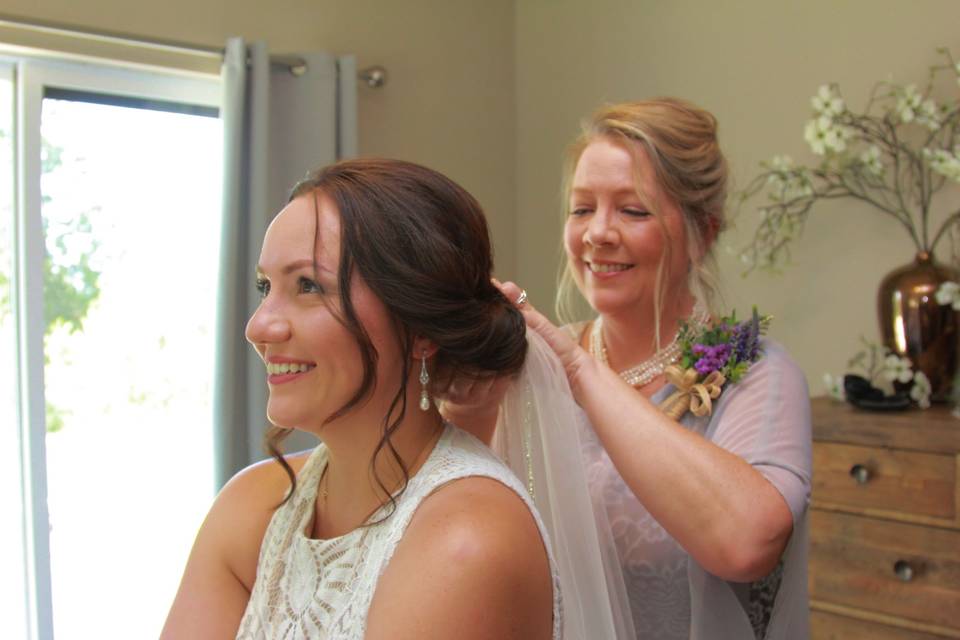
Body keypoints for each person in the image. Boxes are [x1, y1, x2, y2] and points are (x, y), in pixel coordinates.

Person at [444, 98, 812, 639]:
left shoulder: (756, 373)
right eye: (582, 208)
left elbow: (747, 545)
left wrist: (580, 373)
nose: (597, 234)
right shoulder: (527, 369)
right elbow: (457, 539)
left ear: (702, 233)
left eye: (633, 211)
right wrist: (466, 409)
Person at [161, 158, 561, 640]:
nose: (259, 327)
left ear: (419, 330)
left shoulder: (467, 541)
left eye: (308, 286)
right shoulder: (250, 506)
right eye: (266, 287)